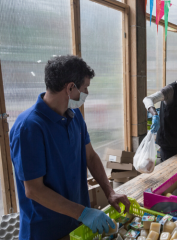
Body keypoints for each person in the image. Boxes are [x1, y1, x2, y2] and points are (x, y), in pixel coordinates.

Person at [10, 55, 130, 240]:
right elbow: (34, 190)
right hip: (45, 231)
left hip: (75, 223)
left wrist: (110, 192)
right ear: (70, 88)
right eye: (85, 88)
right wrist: (84, 213)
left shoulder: (74, 116)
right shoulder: (29, 128)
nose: (87, 93)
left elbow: (90, 157)